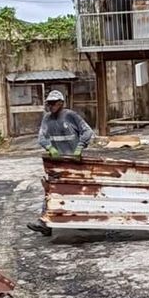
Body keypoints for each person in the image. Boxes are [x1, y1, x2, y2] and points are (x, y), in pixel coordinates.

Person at [27, 90, 94, 236]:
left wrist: (80, 147)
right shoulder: (47, 119)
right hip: (57, 163)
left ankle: (85, 220)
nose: (50, 106)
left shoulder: (70, 116)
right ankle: (45, 223)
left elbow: (87, 132)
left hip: (74, 162)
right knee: (51, 191)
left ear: (61, 103)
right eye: (48, 103)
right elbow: (41, 137)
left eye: (53, 103)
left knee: (78, 192)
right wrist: (50, 147)